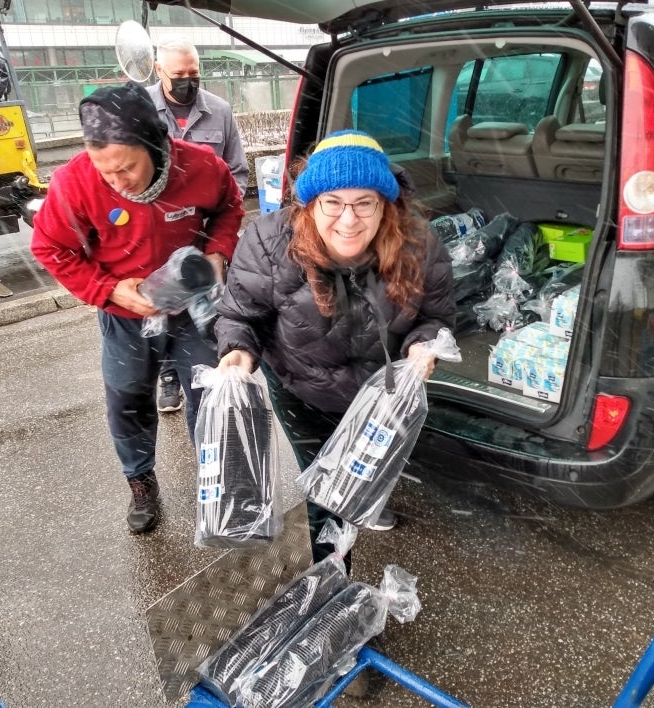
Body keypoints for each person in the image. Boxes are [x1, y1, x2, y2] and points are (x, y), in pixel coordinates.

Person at [213, 130, 455, 560]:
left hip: (382, 394)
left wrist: (422, 344)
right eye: (333, 202)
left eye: (365, 203)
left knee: (362, 473)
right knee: (324, 492)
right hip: (301, 385)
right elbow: (240, 313)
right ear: (311, 203)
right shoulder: (270, 242)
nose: (348, 220)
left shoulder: (419, 246)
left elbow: (436, 317)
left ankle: (361, 498)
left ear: (385, 205)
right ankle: (333, 582)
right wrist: (238, 350)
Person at [30, 81, 245, 534]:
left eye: (126, 169)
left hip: (192, 308)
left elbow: (229, 208)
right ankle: (140, 479)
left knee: (209, 395)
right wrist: (106, 290)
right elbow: (50, 248)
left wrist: (217, 253)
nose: (116, 181)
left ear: (156, 144)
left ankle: (216, 478)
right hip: (126, 316)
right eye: (105, 171)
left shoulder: (203, 167)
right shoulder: (74, 183)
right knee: (127, 398)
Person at [148, 35, 249, 414]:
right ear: (159, 71)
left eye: (194, 73)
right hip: (159, 235)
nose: (187, 81)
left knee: (207, 309)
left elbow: (236, 170)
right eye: (179, 74)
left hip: (205, 232)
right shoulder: (141, 109)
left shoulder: (219, 111)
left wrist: (218, 217)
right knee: (163, 305)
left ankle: (203, 373)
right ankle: (169, 374)